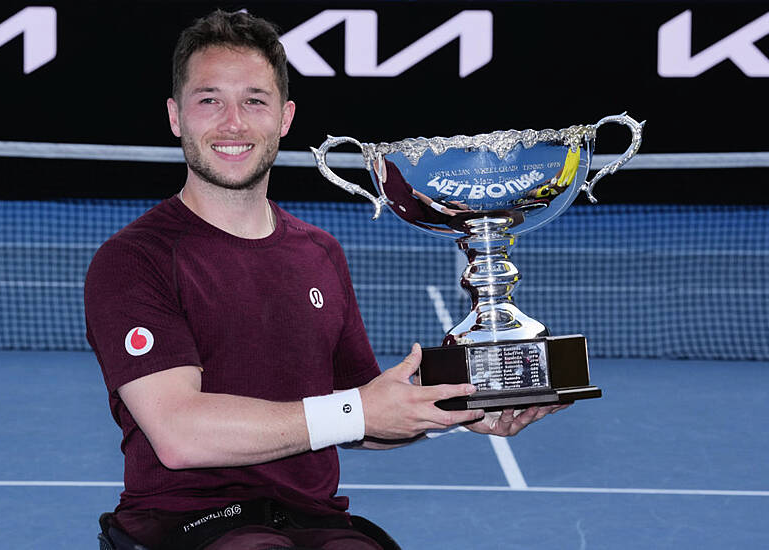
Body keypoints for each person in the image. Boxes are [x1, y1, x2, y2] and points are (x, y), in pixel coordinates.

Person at [85, 10, 566, 550]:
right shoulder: (133, 259)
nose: (233, 123)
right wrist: (358, 409)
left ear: (285, 117)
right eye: (209, 99)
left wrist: (457, 407)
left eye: (254, 100)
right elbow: (179, 435)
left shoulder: (319, 252)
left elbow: (361, 410)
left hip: (310, 518)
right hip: (184, 520)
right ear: (176, 116)